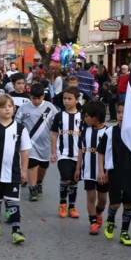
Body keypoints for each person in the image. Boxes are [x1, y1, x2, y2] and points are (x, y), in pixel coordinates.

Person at [0, 94, 32, 244]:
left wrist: (25, 170)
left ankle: (16, 230)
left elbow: (25, 151)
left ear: (14, 109)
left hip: (13, 173)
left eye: (10, 106)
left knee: (13, 201)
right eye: (3, 107)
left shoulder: (21, 129)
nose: (7, 109)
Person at [14, 82, 58, 202]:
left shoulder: (50, 108)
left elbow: (57, 124)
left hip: (45, 144)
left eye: (39, 98)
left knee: (43, 167)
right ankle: (32, 189)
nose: (36, 101)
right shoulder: (24, 108)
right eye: (34, 98)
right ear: (30, 96)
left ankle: (39, 183)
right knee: (32, 164)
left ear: (43, 96)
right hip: (29, 143)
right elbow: (17, 123)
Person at [99, 101, 131, 245]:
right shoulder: (110, 132)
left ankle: (124, 232)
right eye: (119, 112)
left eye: (125, 113)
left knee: (128, 204)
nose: (121, 115)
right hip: (114, 172)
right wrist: (102, 170)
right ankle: (110, 220)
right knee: (115, 203)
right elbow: (101, 152)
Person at [76, 100, 109, 236]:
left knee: (102, 199)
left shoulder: (108, 132)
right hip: (88, 170)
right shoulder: (84, 131)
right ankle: (93, 222)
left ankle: (99, 211)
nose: (85, 119)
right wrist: (78, 168)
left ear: (96, 117)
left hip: (103, 172)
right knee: (90, 197)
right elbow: (81, 150)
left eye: (87, 116)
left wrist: (108, 171)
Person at [50, 86, 83, 219]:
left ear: (76, 100)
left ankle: (72, 206)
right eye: (64, 98)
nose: (66, 101)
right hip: (63, 153)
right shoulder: (59, 116)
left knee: (74, 181)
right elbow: (54, 135)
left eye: (70, 99)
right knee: (65, 178)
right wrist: (53, 152)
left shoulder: (82, 116)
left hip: (78, 155)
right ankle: (63, 203)